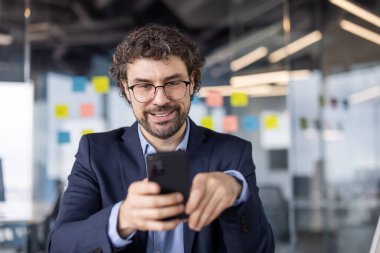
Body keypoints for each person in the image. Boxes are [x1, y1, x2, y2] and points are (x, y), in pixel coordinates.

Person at [47, 24, 274, 253]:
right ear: (126, 89)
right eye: (144, 86)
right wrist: (122, 219)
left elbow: (261, 250)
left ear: (192, 82)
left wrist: (237, 193)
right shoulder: (95, 153)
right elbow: (58, 246)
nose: (160, 100)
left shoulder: (233, 153)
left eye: (173, 83)